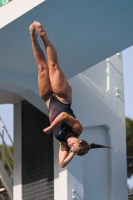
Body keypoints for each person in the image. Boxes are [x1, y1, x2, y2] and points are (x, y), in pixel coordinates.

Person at [29, 21, 112, 168]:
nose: (69, 144)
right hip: (62, 97)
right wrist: (50, 128)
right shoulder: (78, 129)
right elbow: (64, 116)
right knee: (52, 65)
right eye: (73, 144)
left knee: (42, 68)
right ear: (79, 140)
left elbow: (62, 164)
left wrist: (73, 151)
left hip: (49, 100)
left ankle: (33, 38)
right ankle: (43, 35)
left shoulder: (63, 143)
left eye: (70, 147)